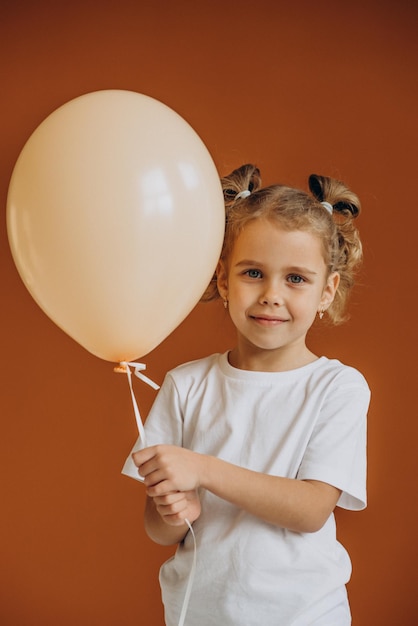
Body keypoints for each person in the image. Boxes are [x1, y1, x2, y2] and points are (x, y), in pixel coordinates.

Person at [123, 164, 370, 626]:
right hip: (198, 614)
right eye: (253, 272)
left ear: (326, 291)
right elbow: (158, 529)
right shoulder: (185, 385)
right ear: (223, 281)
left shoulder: (337, 387)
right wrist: (176, 511)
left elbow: (311, 509)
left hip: (304, 615)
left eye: (296, 278)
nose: (271, 295)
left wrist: (203, 468)